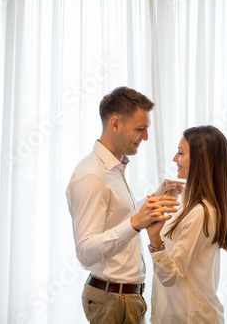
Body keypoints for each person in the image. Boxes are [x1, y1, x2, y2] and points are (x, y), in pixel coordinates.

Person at [66, 86, 182, 324]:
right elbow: (85, 252)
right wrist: (136, 223)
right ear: (115, 124)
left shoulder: (112, 170)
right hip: (112, 301)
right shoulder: (92, 176)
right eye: (140, 129)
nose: (146, 137)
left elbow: (117, 217)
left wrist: (154, 198)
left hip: (124, 299)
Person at [146, 125, 227, 323]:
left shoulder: (201, 213)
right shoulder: (192, 207)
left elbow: (171, 276)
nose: (174, 159)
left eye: (180, 153)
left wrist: (154, 239)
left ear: (200, 160)